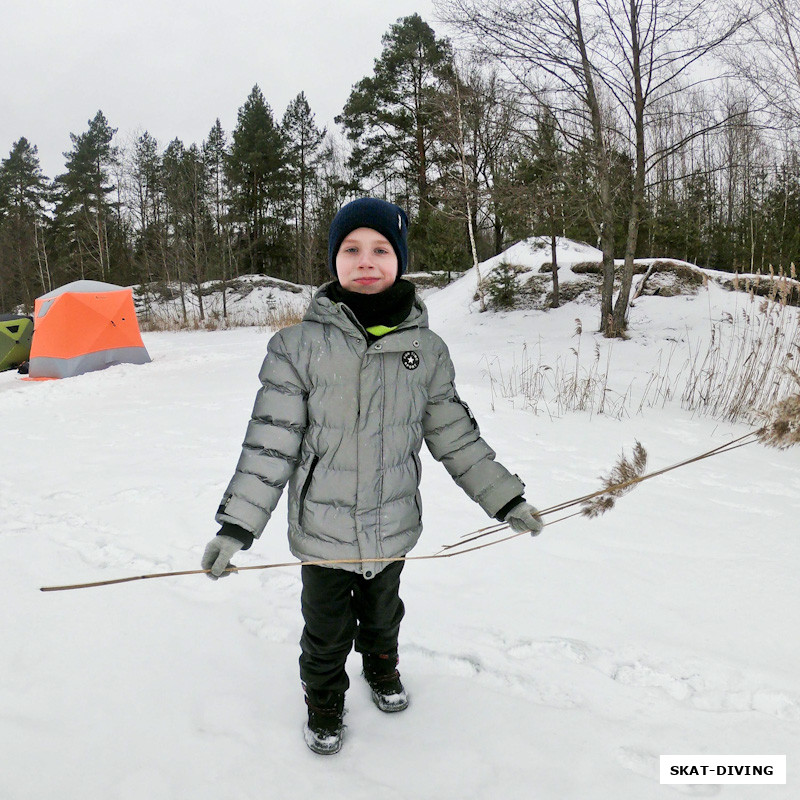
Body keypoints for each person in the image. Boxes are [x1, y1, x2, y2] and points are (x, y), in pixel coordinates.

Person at [201, 198, 543, 755]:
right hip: (323, 535)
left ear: (399, 259)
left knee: (385, 616)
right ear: (334, 261)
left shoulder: (426, 351)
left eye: (381, 249)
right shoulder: (295, 347)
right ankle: (325, 703)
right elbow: (270, 442)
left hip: (392, 525)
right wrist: (235, 528)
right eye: (351, 249)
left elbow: (455, 436)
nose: (366, 261)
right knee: (326, 631)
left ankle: (382, 671)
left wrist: (506, 500)